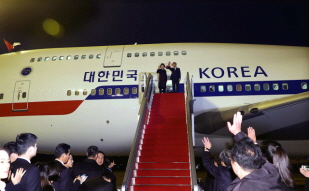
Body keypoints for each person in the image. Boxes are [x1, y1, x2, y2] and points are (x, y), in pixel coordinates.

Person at [226, 112, 284, 191]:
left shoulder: (242, 188)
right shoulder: (272, 173)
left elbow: (259, 158)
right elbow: (259, 159)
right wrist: (238, 134)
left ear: (236, 165)